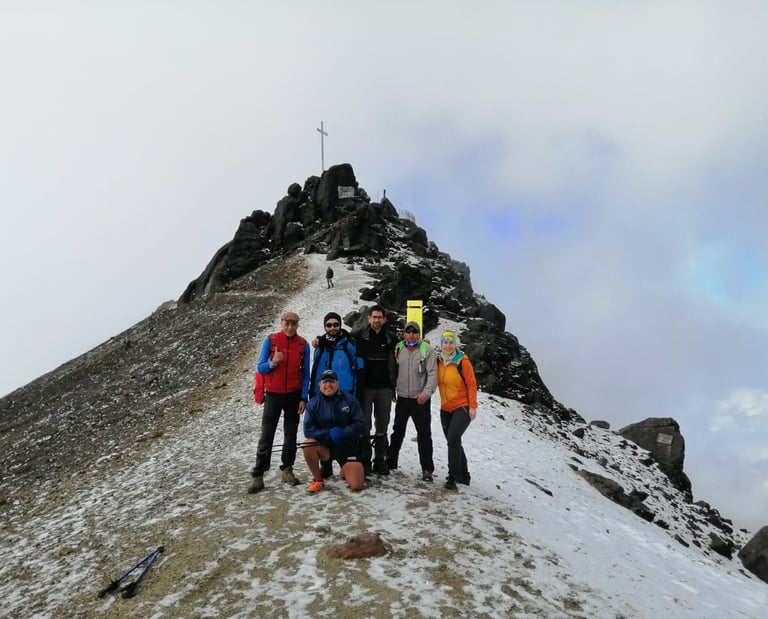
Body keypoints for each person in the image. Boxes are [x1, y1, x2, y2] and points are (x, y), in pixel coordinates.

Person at [248, 311, 310, 494]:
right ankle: (259, 475)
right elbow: (260, 368)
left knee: (290, 434)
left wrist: (303, 398)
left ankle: (287, 469)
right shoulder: (271, 340)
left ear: (297, 325)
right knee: (266, 435)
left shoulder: (303, 344)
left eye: (293, 323)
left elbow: (306, 373)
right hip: (273, 395)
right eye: (287, 323)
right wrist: (273, 362)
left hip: (294, 395)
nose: (290, 327)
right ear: (281, 323)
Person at [387, 321, 437, 482]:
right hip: (402, 398)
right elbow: (393, 370)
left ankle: (427, 469)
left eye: (414, 332)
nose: (411, 334)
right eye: (408, 331)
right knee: (397, 432)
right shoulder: (398, 348)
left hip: (420, 399)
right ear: (404, 334)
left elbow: (433, 374)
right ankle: (391, 462)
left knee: (424, 434)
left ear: (419, 334)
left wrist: (426, 394)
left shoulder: (427, 349)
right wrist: (393, 390)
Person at [351, 305, 397, 476]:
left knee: (382, 424)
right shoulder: (358, 337)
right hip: (365, 389)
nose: (377, 320)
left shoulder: (391, 338)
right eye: (374, 317)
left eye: (380, 317)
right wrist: (319, 340)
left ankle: (379, 460)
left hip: (384, 389)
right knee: (365, 425)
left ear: (384, 319)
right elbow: (339, 338)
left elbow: (407, 346)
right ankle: (365, 460)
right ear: (369, 318)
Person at [302, 369, 365, 493]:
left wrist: (342, 432)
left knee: (356, 486)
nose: (328, 385)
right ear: (319, 384)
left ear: (337, 383)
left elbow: (360, 424)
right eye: (325, 382)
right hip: (326, 447)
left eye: (332, 381)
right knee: (308, 445)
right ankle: (318, 480)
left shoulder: (350, 400)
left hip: (347, 447)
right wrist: (328, 434)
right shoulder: (313, 403)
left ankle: (345, 470)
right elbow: (308, 430)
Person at [436, 330, 478, 490]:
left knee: (453, 439)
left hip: (462, 407)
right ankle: (464, 475)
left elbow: (472, 384)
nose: (448, 346)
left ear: (456, 344)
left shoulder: (462, 362)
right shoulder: (438, 361)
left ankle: (452, 476)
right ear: (441, 345)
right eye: (445, 343)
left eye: (451, 343)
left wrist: (473, 406)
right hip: (445, 408)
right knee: (454, 441)